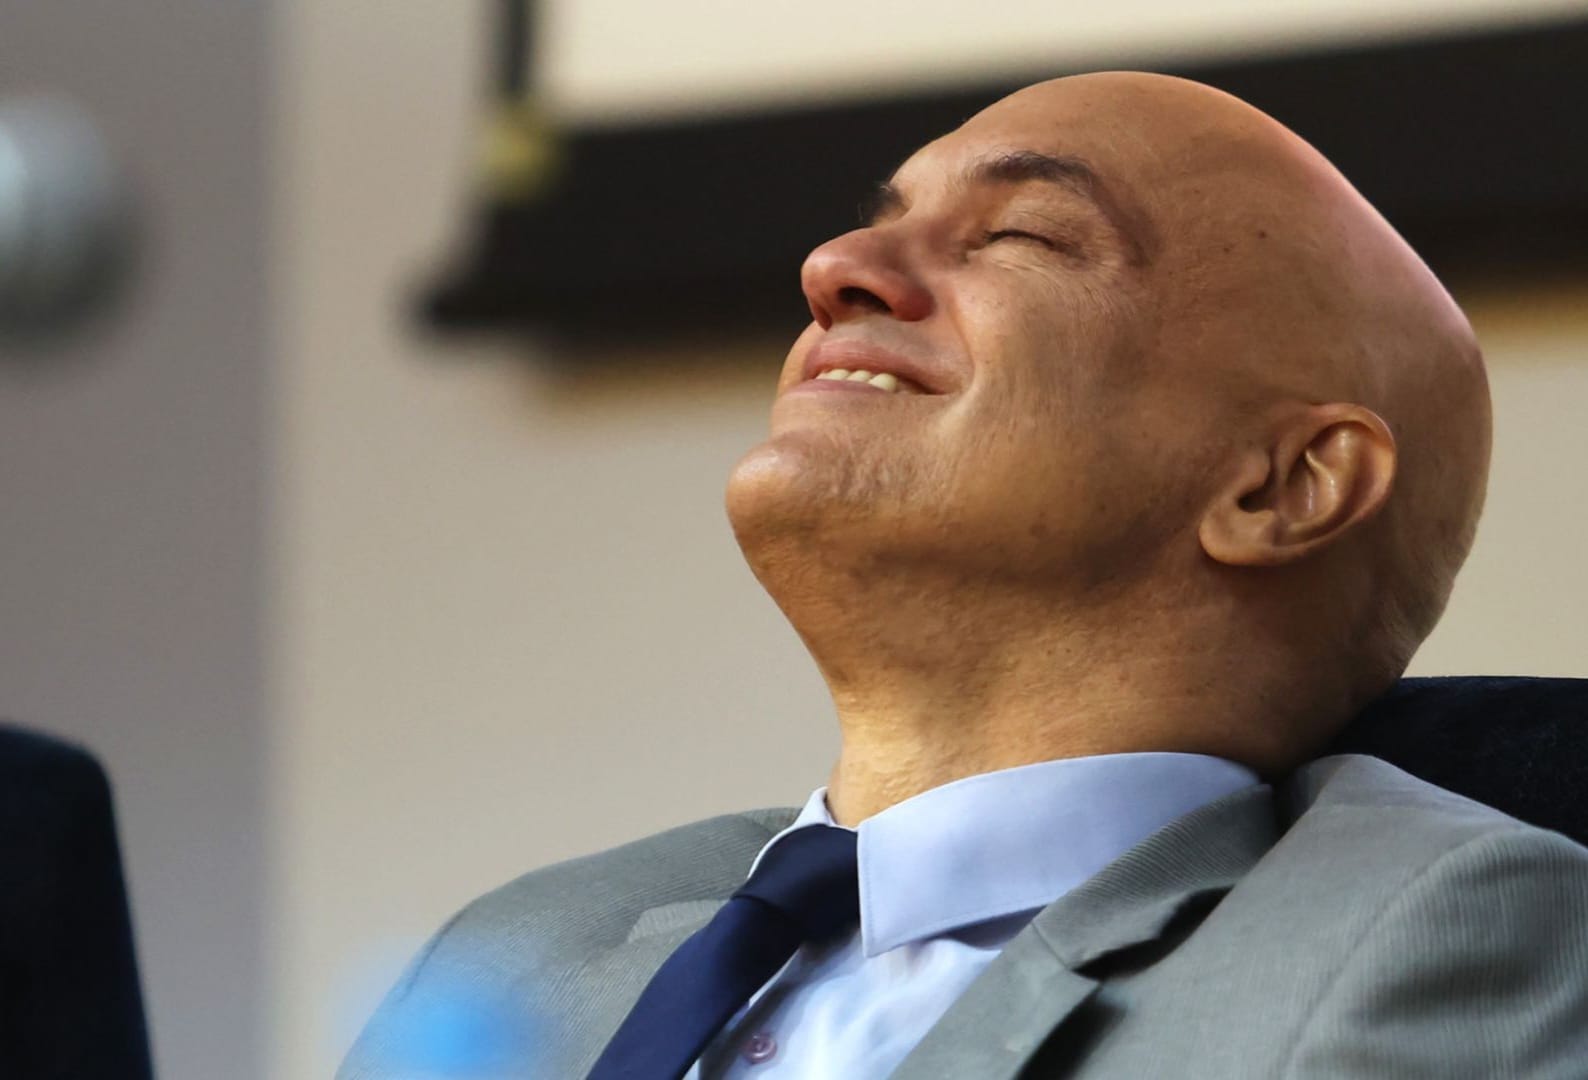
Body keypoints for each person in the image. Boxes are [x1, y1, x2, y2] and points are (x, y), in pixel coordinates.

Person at [339, 72, 1588, 1078]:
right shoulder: (517, 947)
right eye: (879, 219)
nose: (832, 265)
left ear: (1278, 486)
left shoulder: (1454, 933)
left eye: (1022, 234)